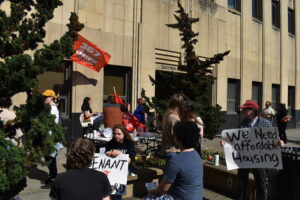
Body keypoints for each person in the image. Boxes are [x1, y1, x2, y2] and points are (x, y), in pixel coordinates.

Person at [221, 100, 284, 200]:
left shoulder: (265, 123)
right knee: (242, 185)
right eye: (243, 109)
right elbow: (235, 139)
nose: (243, 111)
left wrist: (279, 142)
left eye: (245, 109)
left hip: (259, 158)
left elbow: (272, 139)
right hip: (245, 158)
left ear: (253, 110)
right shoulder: (243, 123)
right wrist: (226, 142)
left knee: (261, 185)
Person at [148, 120, 203, 200]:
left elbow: (163, 189)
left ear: (178, 138)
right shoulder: (196, 155)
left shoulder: (175, 161)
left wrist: (153, 191)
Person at [41, 89, 64, 188]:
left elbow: (52, 124)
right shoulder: (49, 107)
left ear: (51, 97)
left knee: (51, 158)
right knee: (50, 158)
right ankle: (52, 176)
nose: (44, 98)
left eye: (46, 97)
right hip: (48, 136)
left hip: (51, 137)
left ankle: (53, 179)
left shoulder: (52, 109)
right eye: (44, 96)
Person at [161, 94, 184, 161]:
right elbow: (176, 136)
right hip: (174, 150)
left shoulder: (167, 115)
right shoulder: (174, 118)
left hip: (169, 150)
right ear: (180, 105)